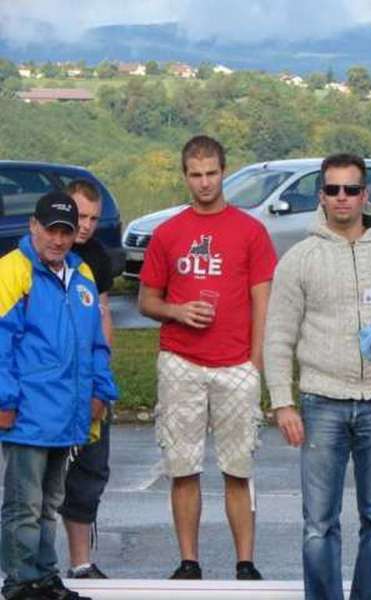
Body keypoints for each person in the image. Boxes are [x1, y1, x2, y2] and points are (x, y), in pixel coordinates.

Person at [264, 153, 371, 600]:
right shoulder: (299, 259)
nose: (342, 198)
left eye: (352, 189)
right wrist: (283, 401)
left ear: (366, 194)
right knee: (318, 525)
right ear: (321, 196)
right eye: (333, 189)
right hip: (321, 402)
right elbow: (278, 335)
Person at [138, 135, 276, 581]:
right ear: (185, 176)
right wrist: (177, 310)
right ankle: (189, 560)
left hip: (236, 363)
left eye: (211, 173)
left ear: (223, 172)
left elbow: (263, 301)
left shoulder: (250, 230)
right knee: (184, 465)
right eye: (195, 175)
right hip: (181, 360)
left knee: (238, 466)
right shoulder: (169, 232)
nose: (204, 183)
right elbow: (146, 300)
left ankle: (245, 561)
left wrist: (255, 362)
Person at [0, 191, 118, 600]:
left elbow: (96, 343)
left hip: (67, 416)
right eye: (51, 229)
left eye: (66, 232)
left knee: (51, 504)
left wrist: (102, 391)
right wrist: (4, 401)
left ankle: (45, 577)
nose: (58, 239)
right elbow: (1, 342)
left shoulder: (82, 274)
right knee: (23, 506)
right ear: (33, 226)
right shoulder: (12, 271)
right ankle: (19, 582)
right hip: (27, 414)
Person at [57, 180, 115, 580]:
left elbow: (105, 314)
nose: (87, 226)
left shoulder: (96, 256)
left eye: (95, 218)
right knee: (41, 480)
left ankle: (80, 562)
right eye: (80, 216)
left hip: (90, 379)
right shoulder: (38, 255)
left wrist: (102, 377)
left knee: (90, 472)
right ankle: (33, 564)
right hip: (50, 384)